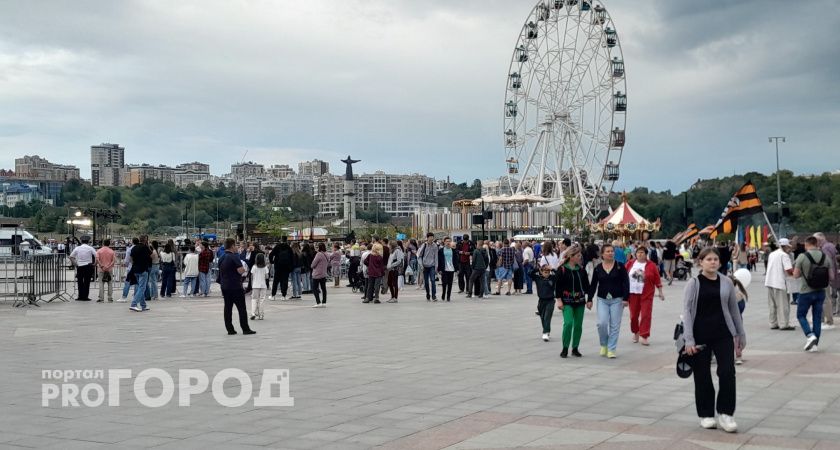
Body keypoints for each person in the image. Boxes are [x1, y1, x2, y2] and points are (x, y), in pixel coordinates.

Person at [682, 247, 746, 433]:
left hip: (723, 333)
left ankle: (726, 413)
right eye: (708, 259)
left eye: (715, 259)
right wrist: (689, 339)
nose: (712, 262)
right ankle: (706, 414)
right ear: (700, 262)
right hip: (699, 334)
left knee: (727, 372)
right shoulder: (693, 283)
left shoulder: (726, 282)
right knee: (702, 375)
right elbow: (686, 312)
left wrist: (740, 334)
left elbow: (734, 310)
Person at [588, 243, 630, 358]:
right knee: (601, 323)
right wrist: (590, 299)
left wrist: (626, 298)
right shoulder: (598, 268)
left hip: (617, 299)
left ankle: (611, 349)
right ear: (602, 254)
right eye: (608, 251)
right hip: (602, 299)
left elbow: (626, 283)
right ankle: (604, 344)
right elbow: (593, 284)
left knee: (615, 325)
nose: (610, 253)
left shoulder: (620, 266)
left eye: (612, 251)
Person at [793, 236, 831, 352]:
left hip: (806, 291)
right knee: (817, 317)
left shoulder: (802, 257)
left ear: (807, 244)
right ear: (816, 244)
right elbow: (831, 276)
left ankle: (810, 335)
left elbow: (796, 275)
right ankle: (815, 345)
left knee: (801, 315)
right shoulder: (825, 257)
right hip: (821, 291)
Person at [555, 245, 590, 358]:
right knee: (568, 323)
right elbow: (558, 287)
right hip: (567, 300)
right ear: (571, 256)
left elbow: (587, 286)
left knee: (578, 325)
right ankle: (565, 347)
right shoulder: (562, 269)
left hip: (580, 300)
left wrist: (589, 299)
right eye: (578, 256)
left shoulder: (581, 270)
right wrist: (559, 300)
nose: (580, 257)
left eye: (580, 255)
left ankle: (575, 348)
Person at [626, 246, 664, 345]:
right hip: (632, 293)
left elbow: (657, 279)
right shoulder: (630, 263)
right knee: (633, 316)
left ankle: (644, 335)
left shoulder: (652, 265)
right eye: (638, 252)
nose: (640, 254)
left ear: (646, 254)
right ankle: (636, 332)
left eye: (642, 252)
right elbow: (623, 276)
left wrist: (660, 292)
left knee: (646, 315)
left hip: (646, 294)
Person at [218, 238, 255, 335]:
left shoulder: (221, 257)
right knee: (241, 308)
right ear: (232, 246)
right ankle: (245, 328)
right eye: (236, 245)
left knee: (228, 308)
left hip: (225, 286)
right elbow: (241, 270)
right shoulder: (234, 257)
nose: (237, 247)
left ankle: (230, 329)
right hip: (235, 286)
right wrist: (244, 270)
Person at [764, 239, 795, 330]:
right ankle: (784, 324)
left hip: (770, 281)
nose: (789, 248)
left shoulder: (772, 254)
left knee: (772, 305)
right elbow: (789, 270)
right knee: (782, 305)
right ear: (785, 246)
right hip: (780, 282)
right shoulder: (784, 255)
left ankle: (773, 323)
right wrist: (795, 274)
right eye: (788, 247)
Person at [814, 233, 837, 328]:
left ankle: (828, 321)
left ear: (820, 240)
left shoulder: (825, 248)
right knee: (826, 299)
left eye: (816, 241)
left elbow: (827, 264)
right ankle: (826, 319)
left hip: (824, 277)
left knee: (825, 299)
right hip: (828, 277)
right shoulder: (831, 245)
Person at [531, 263, 557, 342]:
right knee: (542, 317)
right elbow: (530, 273)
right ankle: (546, 330)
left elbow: (559, 274)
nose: (547, 273)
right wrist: (537, 269)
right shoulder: (538, 278)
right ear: (541, 272)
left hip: (550, 300)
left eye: (548, 272)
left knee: (547, 316)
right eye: (545, 272)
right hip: (541, 300)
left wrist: (552, 268)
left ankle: (545, 332)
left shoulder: (552, 278)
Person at [69, 236, 97, 301]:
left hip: (80, 266)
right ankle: (85, 297)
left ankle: (80, 296)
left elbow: (71, 257)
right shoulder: (90, 248)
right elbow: (97, 256)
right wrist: (95, 264)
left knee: (80, 282)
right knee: (87, 282)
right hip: (88, 266)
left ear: (81, 241)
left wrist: (75, 264)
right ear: (88, 242)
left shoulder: (77, 248)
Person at [129, 236, 152, 312]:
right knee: (142, 288)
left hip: (135, 269)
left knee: (139, 288)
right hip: (143, 269)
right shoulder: (145, 248)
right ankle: (134, 304)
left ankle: (143, 305)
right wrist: (148, 246)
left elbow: (131, 258)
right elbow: (151, 256)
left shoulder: (134, 248)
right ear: (145, 240)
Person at [730, 275, 748, 365]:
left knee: (735, 339)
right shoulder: (739, 294)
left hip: (732, 321)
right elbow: (742, 308)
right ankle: (738, 356)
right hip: (737, 320)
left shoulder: (735, 295)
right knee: (737, 339)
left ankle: (737, 356)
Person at [417, 233, 439, 301]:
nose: (432, 238)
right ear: (427, 238)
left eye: (432, 237)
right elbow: (419, 256)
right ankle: (428, 294)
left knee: (433, 281)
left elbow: (436, 257)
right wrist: (421, 265)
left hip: (432, 266)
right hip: (424, 266)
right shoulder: (424, 245)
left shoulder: (435, 246)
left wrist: (436, 267)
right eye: (430, 237)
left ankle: (434, 296)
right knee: (426, 282)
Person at [437, 237, 458, 302]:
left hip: (451, 269)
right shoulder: (441, 250)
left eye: (449, 241)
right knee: (444, 283)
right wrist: (439, 269)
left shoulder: (453, 250)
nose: (448, 242)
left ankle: (448, 296)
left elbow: (456, 260)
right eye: (447, 241)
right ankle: (443, 294)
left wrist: (457, 269)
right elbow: (439, 260)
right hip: (444, 269)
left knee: (450, 283)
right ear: (444, 242)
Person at [95, 238, 116, 303]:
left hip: (101, 269)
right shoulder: (111, 251)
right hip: (109, 269)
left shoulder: (99, 251)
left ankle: (101, 298)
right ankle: (110, 298)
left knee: (101, 283)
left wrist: (101, 265)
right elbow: (114, 260)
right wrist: (109, 266)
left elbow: (97, 259)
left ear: (103, 243)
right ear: (109, 244)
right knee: (110, 283)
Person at [250, 253, 269, 319]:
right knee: (262, 300)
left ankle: (253, 313)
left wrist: (252, 285)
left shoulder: (254, 267)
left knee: (254, 299)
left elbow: (252, 276)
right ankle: (261, 315)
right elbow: (267, 277)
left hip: (255, 285)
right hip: (263, 285)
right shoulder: (265, 267)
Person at [310, 243, 330, 308]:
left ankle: (318, 302)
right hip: (323, 273)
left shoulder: (318, 254)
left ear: (319, 247)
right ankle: (324, 302)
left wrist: (312, 265)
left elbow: (313, 265)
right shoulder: (327, 254)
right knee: (323, 288)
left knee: (314, 288)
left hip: (317, 274)